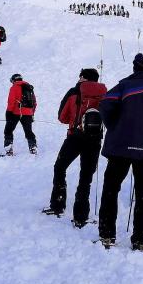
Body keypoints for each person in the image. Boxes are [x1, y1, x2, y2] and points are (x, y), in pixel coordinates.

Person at [97, 54, 143, 251]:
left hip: (120, 146)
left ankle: (107, 235)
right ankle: (139, 239)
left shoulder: (124, 86)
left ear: (134, 68)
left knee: (111, 189)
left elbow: (105, 104)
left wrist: (113, 125)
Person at [42, 68, 107, 227]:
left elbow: (62, 117)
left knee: (60, 167)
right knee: (86, 177)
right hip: (95, 140)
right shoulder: (104, 93)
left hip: (75, 137)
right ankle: (80, 216)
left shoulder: (74, 92)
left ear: (82, 78)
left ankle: (58, 204)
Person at [3, 74, 38, 156]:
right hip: (28, 113)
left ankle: (8, 150)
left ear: (13, 80)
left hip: (15, 112)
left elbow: (11, 101)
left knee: (8, 130)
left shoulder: (14, 87)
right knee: (28, 131)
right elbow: (34, 102)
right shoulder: (29, 87)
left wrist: (8, 113)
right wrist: (32, 113)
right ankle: (33, 147)